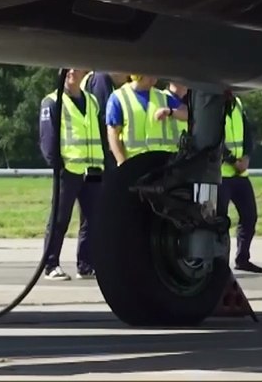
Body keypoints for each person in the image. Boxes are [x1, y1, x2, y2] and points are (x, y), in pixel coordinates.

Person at [167, 84, 262, 275]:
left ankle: (242, 258)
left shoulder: (237, 104)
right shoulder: (211, 103)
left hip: (240, 175)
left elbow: (247, 134)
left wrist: (246, 158)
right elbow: (213, 134)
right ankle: (220, 262)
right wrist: (230, 159)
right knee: (219, 220)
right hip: (221, 174)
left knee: (250, 216)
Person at [38, 69, 103, 281]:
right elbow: (48, 140)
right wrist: (59, 166)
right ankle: (50, 265)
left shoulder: (91, 101)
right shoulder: (52, 102)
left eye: (76, 67)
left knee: (92, 220)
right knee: (59, 220)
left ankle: (85, 264)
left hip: (91, 169)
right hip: (69, 170)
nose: (72, 72)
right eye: (67, 68)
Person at [104, 75, 188, 165]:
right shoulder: (119, 97)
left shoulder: (162, 96)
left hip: (160, 164)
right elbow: (113, 134)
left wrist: (171, 112)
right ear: (138, 75)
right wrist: (122, 162)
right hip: (134, 164)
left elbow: (187, 114)